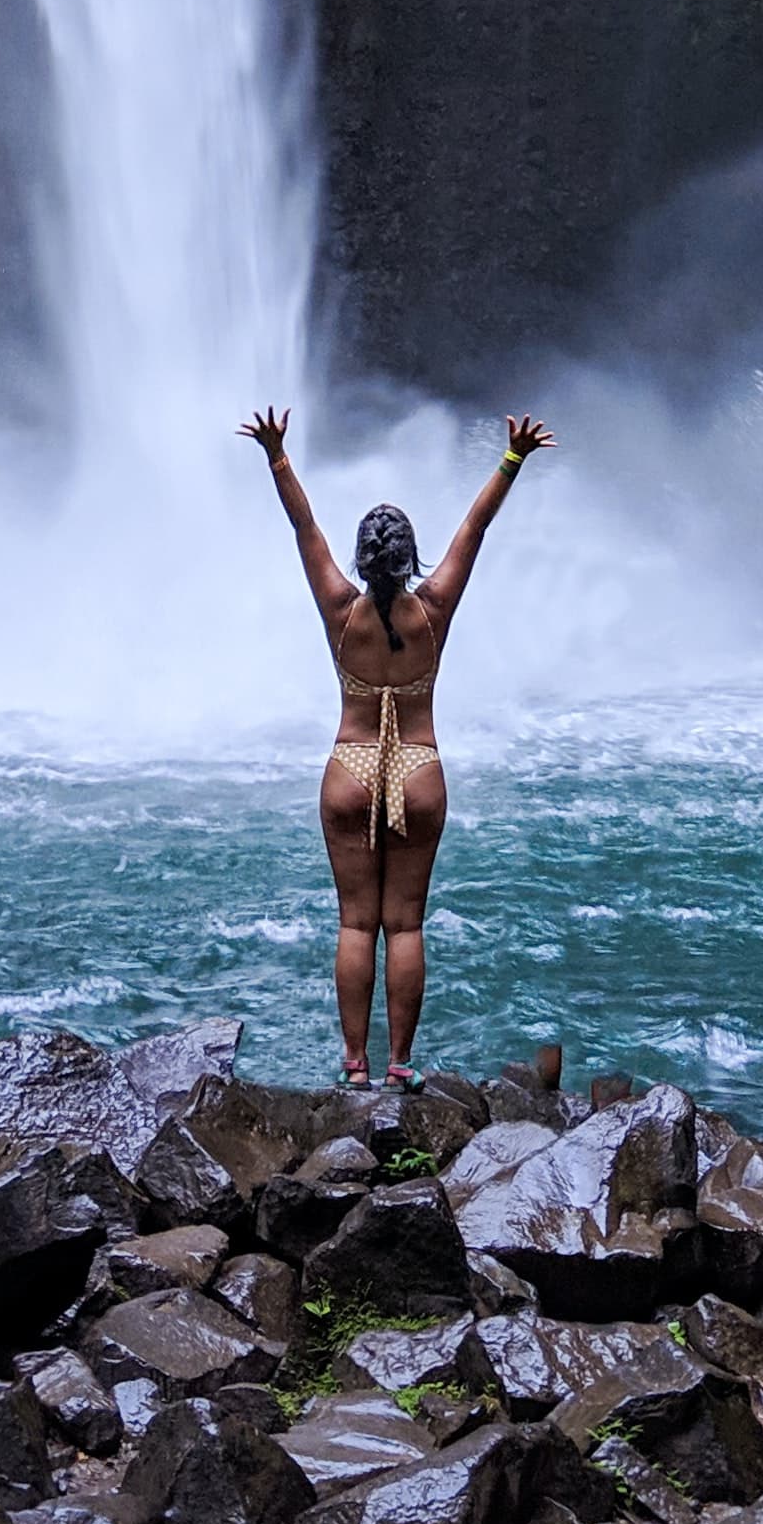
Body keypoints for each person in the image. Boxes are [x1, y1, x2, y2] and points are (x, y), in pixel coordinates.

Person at [239, 403, 551, 1083]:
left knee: (356, 924)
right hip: (417, 764)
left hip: (351, 762)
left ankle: (354, 1065)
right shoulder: (434, 609)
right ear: (410, 558)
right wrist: (512, 458)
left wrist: (276, 454)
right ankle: (401, 1066)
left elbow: (303, 525)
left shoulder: (337, 607)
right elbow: (476, 526)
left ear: (362, 558)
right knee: (405, 926)